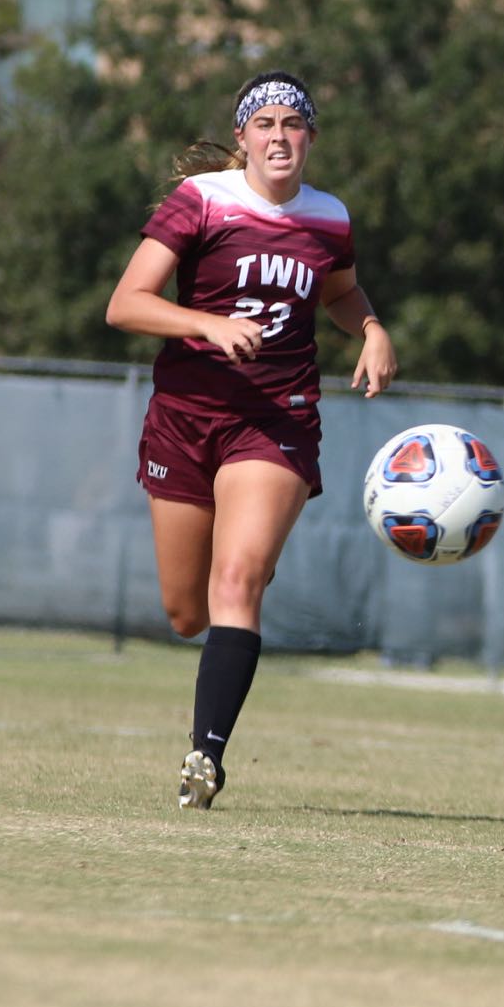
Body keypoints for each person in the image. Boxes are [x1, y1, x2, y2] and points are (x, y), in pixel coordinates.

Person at [105, 71, 397, 810]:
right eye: (263, 123)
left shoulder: (329, 217)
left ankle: (204, 760)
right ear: (241, 138)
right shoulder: (201, 200)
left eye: (292, 124)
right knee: (187, 612)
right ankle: (241, 572)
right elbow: (125, 305)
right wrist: (208, 323)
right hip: (185, 415)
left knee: (235, 581)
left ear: (311, 139)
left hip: (277, 418)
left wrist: (369, 327)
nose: (278, 136)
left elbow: (339, 290)